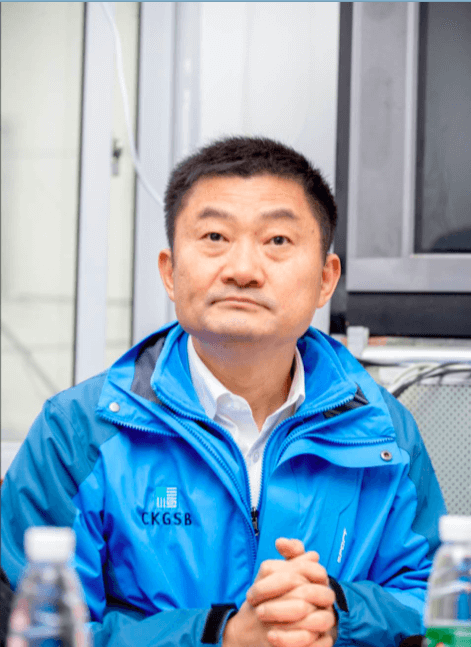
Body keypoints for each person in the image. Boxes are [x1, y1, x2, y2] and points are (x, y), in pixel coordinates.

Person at [1, 137, 445, 647]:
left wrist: (336, 613)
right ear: (170, 272)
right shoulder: (79, 432)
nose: (243, 270)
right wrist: (221, 636)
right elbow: (31, 628)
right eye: (215, 236)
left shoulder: (382, 432)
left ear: (326, 279)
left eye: (277, 240)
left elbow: (439, 605)